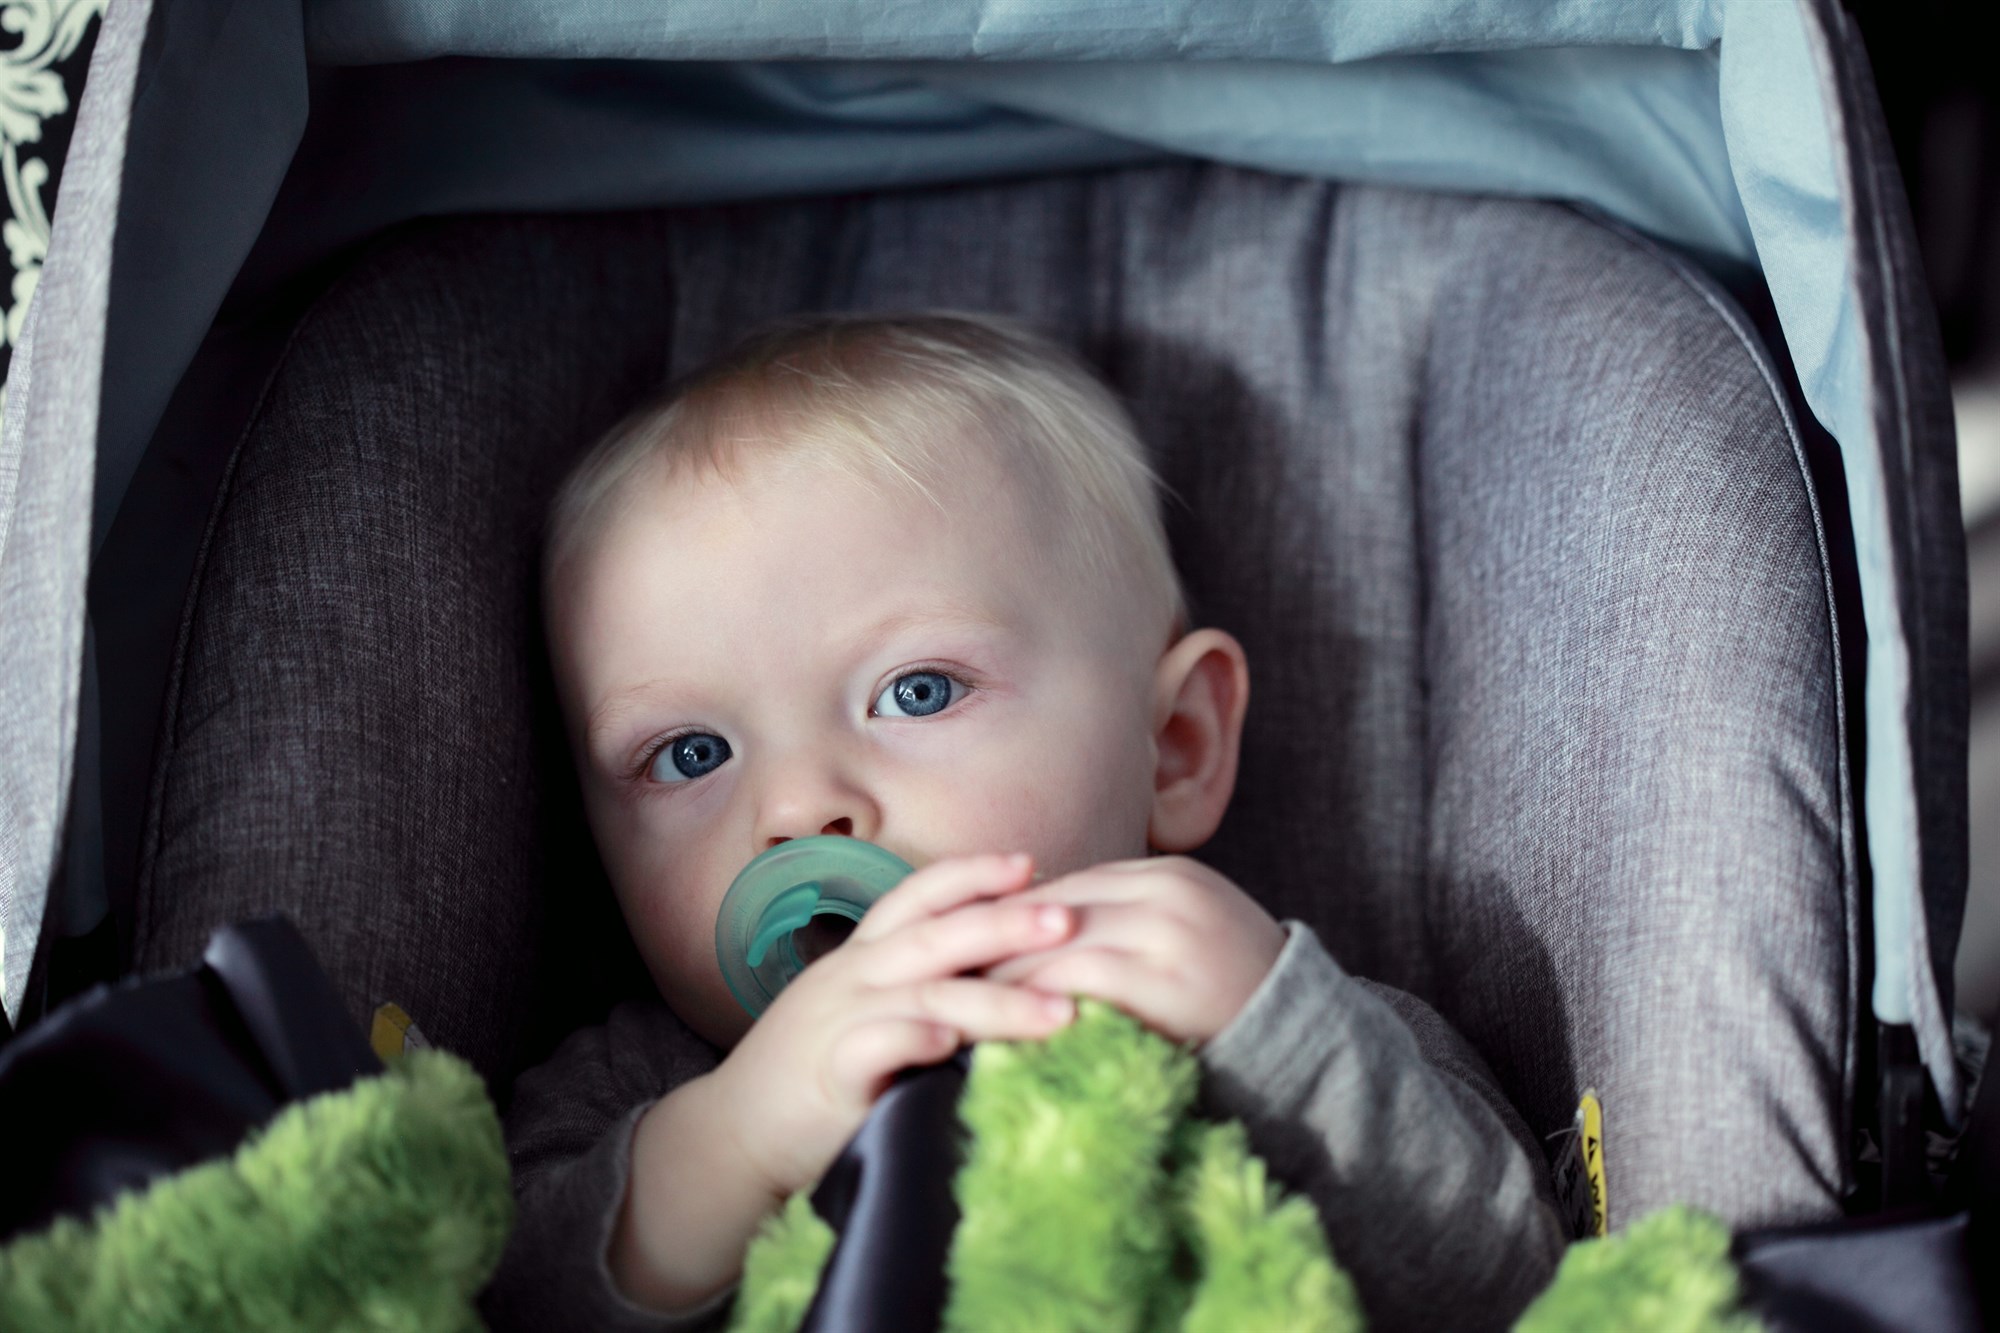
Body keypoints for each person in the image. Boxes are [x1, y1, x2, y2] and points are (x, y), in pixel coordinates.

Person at [490, 312, 1566, 1330]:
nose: (794, 807)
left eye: (916, 691)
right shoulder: (653, 1085)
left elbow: (1516, 1282)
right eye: (690, 754)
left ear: (1175, 744)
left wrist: (1277, 1038)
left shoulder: (1262, 1015)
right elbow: (492, 1297)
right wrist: (734, 1141)